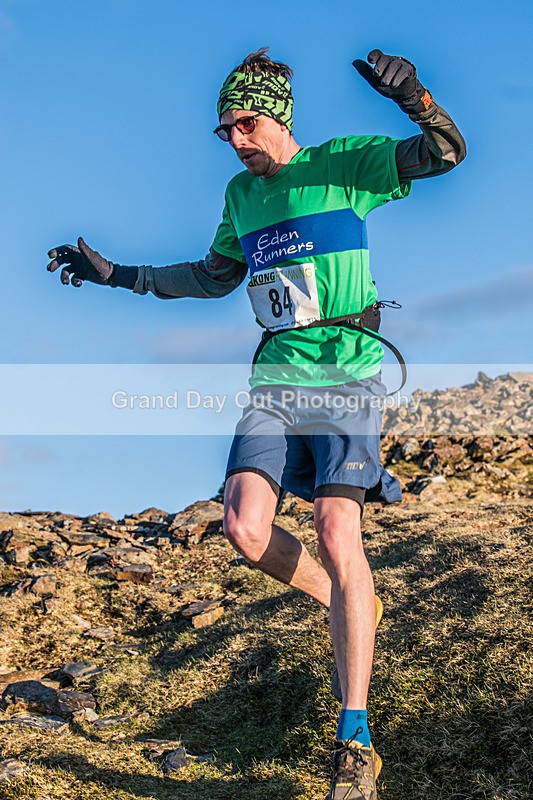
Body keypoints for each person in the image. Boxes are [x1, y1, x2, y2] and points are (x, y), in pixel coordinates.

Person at [47, 47, 466, 800]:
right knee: (243, 527)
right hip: (274, 375)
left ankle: (353, 735)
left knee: (340, 532)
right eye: (224, 129)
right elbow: (213, 278)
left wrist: (417, 99)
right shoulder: (241, 195)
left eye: (247, 122)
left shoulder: (349, 164)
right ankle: (349, 602)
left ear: (279, 118)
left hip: (345, 366)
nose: (236, 138)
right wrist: (119, 278)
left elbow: (445, 153)